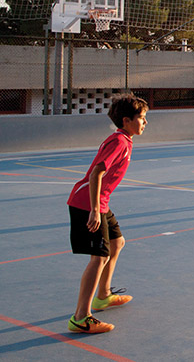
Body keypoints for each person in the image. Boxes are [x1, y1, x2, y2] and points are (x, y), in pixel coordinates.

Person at [66, 94, 148, 334]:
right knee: (98, 257)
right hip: (87, 203)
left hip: (100, 202)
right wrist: (93, 210)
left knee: (117, 242)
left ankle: (103, 295)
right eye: (141, 118)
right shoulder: (119, 142)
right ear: (127, 120)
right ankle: (81, 317)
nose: (145, 123)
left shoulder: (124, 138)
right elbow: (96, 174)